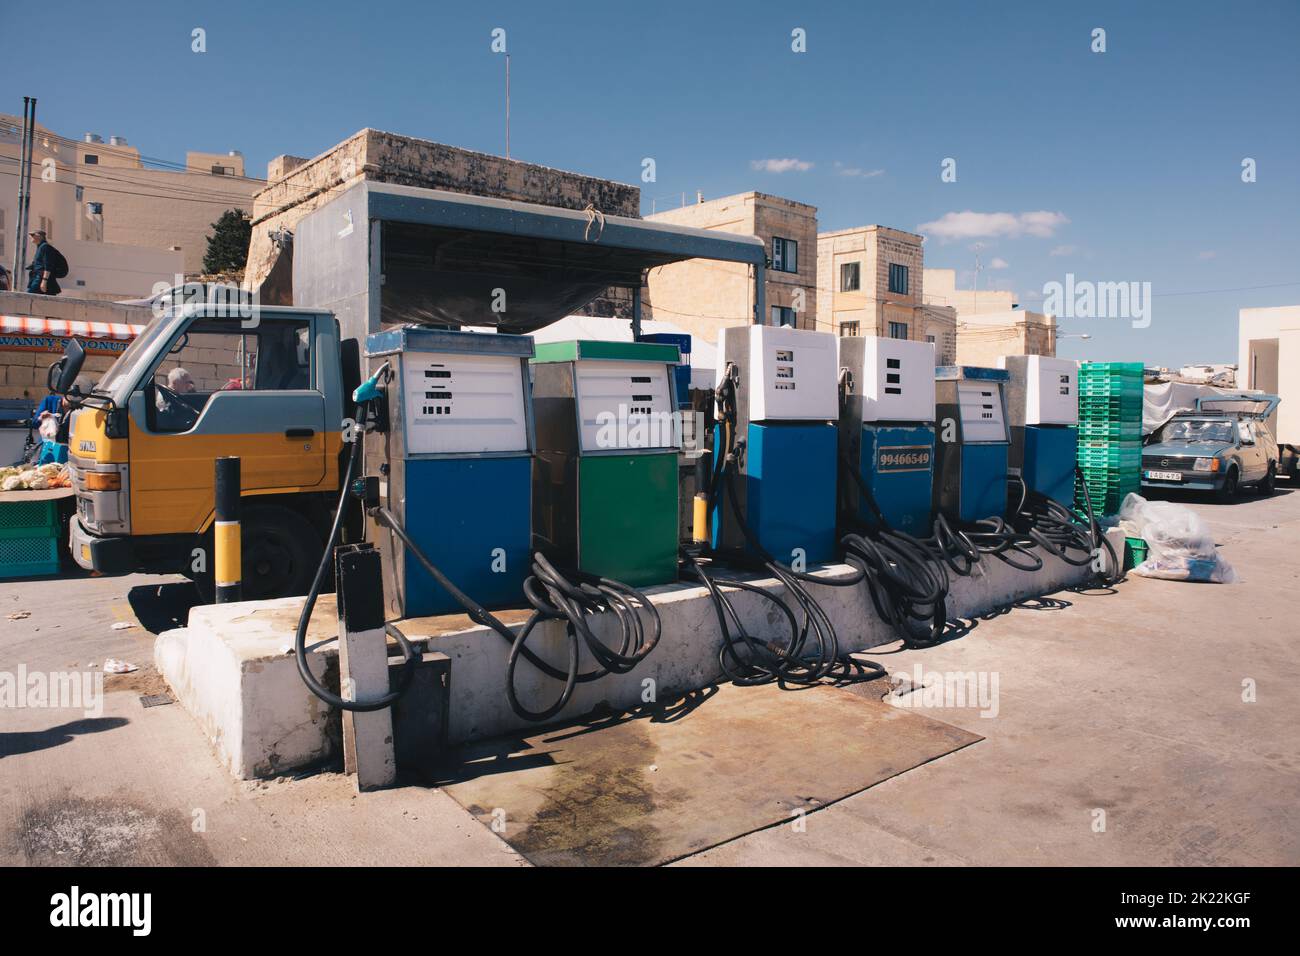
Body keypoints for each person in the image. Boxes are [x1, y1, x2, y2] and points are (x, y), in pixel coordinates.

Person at [26, 230, 64, 296]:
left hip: (40, 278)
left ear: (39, 237)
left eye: (33, 235)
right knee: (49, 299)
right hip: (39, 278)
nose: (31, 237)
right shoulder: (40, 247)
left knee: (28, 297)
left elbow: (48, 265)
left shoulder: (45, 247)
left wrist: (44, 281)